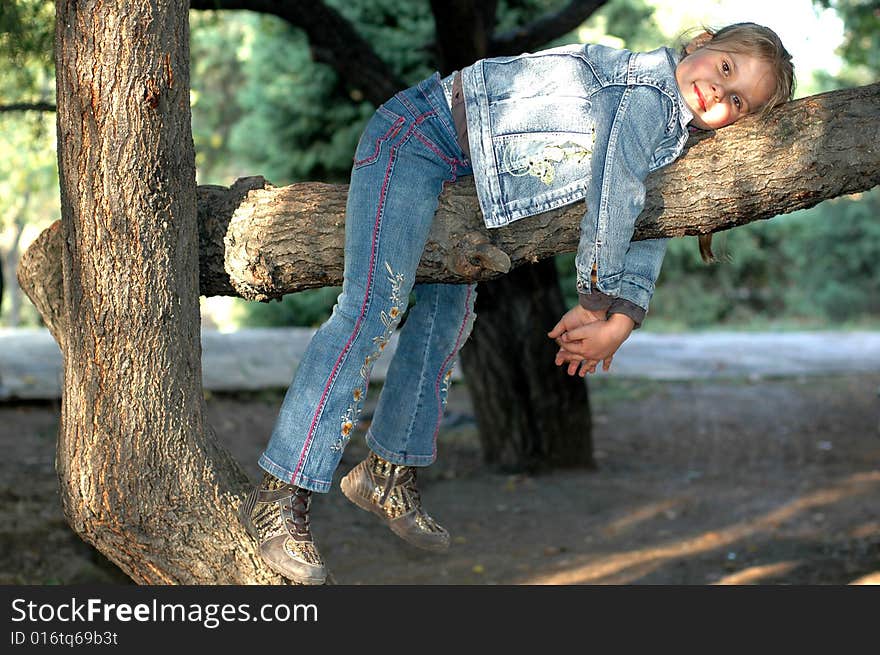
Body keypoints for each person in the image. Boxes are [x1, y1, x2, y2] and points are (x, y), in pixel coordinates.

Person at [238, 22, 795, 584]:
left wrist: (621, 321)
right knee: (369, 312)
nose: (716, 94)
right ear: (700, 45)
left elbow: (649, 219)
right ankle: (278, 499)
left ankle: (385, 471)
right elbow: (614, 191)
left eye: (736, 101)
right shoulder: (645, 91)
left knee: (446, 321)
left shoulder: (672, 136)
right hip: (418, 135)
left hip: (468, 177)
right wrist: (597, 298)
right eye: (724, 70)